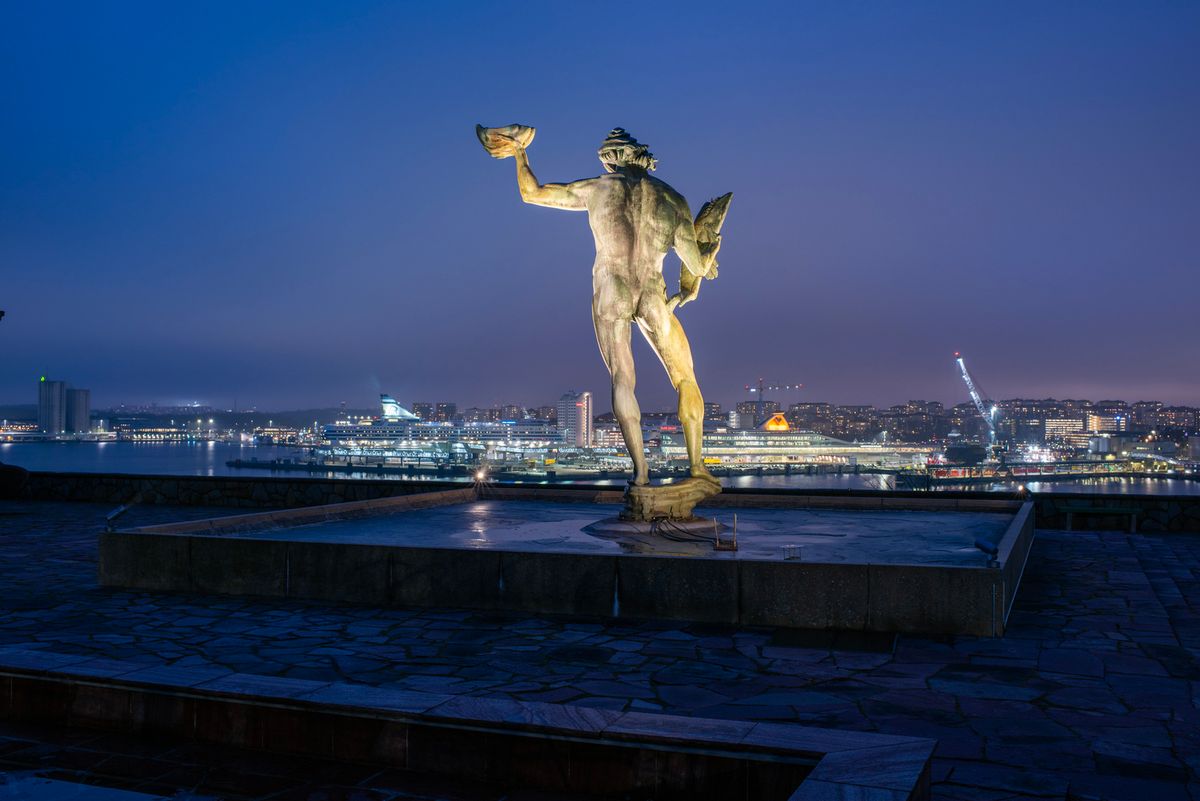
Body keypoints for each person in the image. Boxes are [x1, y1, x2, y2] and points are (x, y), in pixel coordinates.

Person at [486, 126, 723, 488]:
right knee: (686, 378)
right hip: (653, 293)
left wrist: (519, 154)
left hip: (613, 287)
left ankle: (641, 474)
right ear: (643, 158)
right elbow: (696, 267)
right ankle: (696, 466)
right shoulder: (674, 200)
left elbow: (530, 193)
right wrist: (712, 248)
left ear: (610, 159)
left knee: (623, 379)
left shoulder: (599, 188)